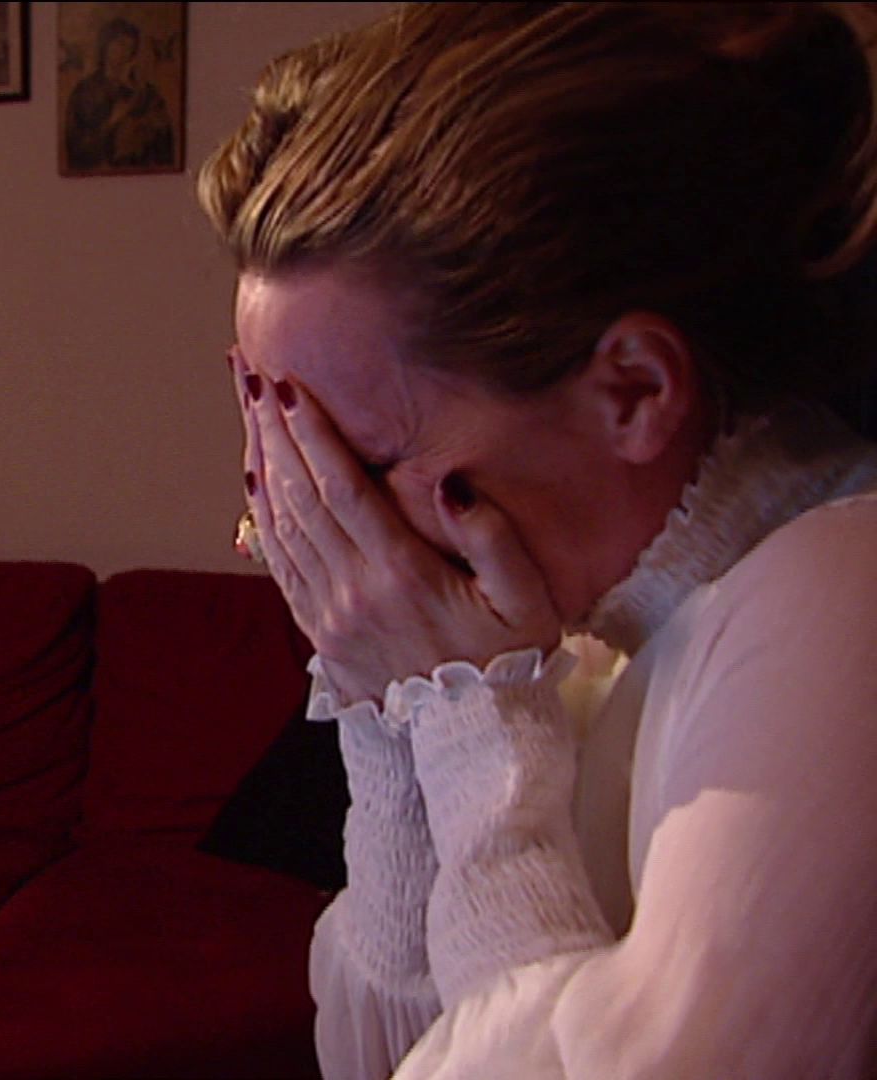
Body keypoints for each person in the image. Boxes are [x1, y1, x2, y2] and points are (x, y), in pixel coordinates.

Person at [198, 4, 877, 1077]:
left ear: (634, 391)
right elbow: (382, 1061)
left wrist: (472, 725)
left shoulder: (837, 598)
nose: (309, 534)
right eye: (291, 467)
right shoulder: (587, 627)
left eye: (357, 465)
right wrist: (392, 717)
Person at [64, 17, 175, 172]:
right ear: (106, 46)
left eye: (131, 47)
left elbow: (164, 142)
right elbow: (78, 148)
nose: (125, 52)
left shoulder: (147, 92)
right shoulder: (86, 91)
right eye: (120, 44)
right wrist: (113, 120)